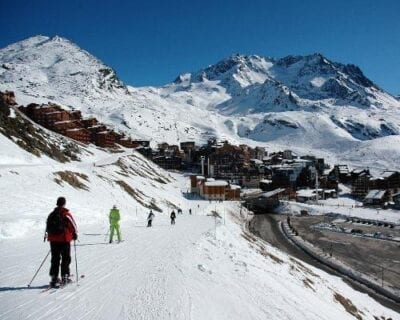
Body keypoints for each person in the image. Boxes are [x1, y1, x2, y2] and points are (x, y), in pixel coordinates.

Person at [46, 197, 77, 287]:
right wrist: (74, 234)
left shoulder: (51, 214)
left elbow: (47, 227)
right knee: (65, 258)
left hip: (53, 240)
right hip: (64, 239)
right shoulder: (66, 214)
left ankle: (54, 278)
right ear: (64, 203)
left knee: (55, 259)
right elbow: (73, 226)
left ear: (57, 203)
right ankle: (65, 276)